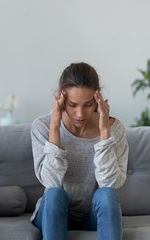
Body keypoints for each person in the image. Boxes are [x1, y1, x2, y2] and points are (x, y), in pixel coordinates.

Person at [30, 62, 129, 240]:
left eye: (88, 104)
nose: (80, 114)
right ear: (61, 99)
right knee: (54, 194)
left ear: (97, 98)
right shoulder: (42, 127)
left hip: (93, 215)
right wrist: (55, 127)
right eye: (72, 104)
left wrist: (104, 132)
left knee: (106, 194)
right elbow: (51, 182)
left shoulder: (115, 129)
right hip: (54, 211)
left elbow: (110, 183)